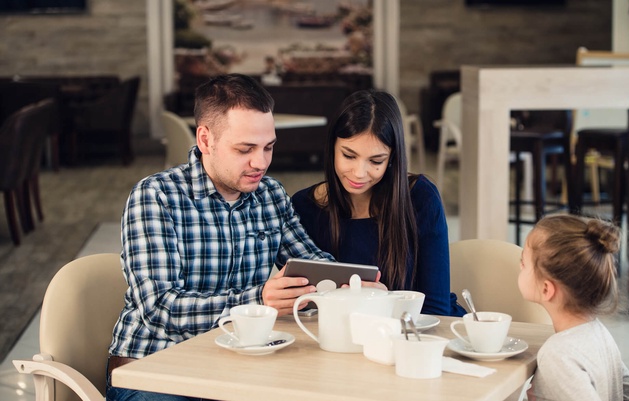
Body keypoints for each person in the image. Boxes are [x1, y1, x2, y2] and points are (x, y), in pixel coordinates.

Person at [107, 74, 334, 401]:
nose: (261, 163)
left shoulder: (269, 194)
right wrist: (258, 300)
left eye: (268, 147)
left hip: (236, 364)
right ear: (205, 139)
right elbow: (160, 308)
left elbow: (311, 263)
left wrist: (351, 284)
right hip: (152, 367)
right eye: (245, 149)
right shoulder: (156, 196)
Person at [291, 89, 465, 316]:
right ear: (332, 146)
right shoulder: (305, 206)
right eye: (349, 156)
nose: (359, 173)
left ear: (392, 158)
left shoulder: (420, 198)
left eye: (376, 161)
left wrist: (385, 303)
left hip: (417, 333)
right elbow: (305, 308)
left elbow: (436, 308)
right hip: (339, 337)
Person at [519, 214, 629, 401]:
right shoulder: (599, 333)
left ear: (546, 289)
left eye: (523, 263)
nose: (518, 266)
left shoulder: (559, 355)